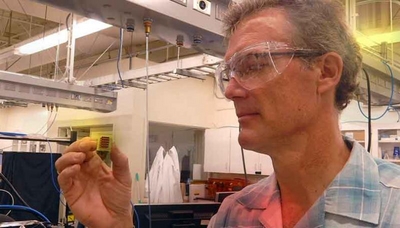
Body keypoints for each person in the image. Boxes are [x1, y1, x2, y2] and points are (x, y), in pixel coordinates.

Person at [55, 0, 400, 228]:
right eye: (229, 73)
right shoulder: (235, 214)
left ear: (325, 72)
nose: (232, 90)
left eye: (253, 64)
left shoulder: (392, 207)